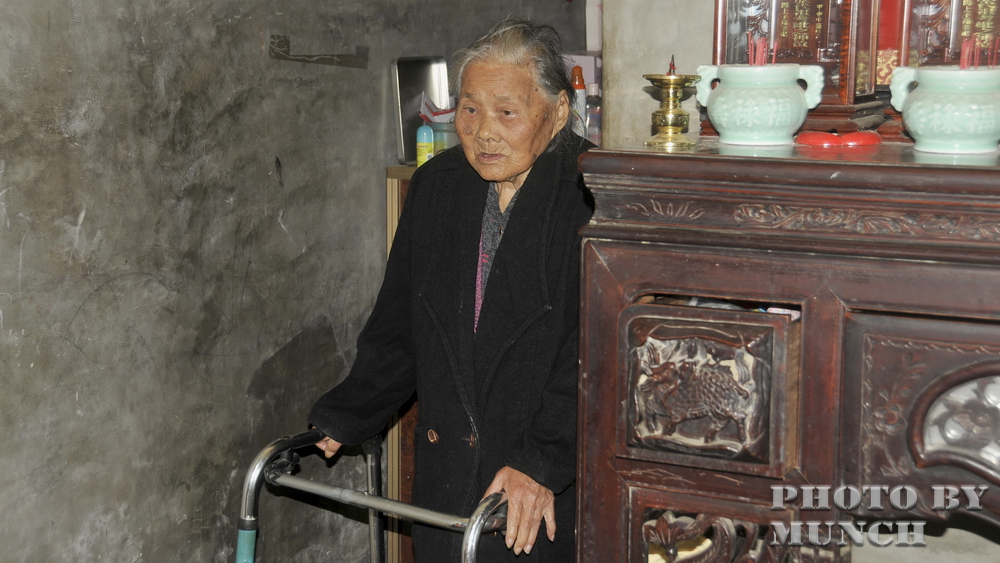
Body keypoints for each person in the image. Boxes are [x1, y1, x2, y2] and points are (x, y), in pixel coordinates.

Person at [308, 17, 594, 562]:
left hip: (536, 486)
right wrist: (351, 411)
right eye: (469, 109)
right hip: (448, 481)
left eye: (507, 112)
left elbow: (595, 360)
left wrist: (542, 462)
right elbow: (402, 324)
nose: (483, 132)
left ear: (557, 112)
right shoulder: (438, 187)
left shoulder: (592, 197)